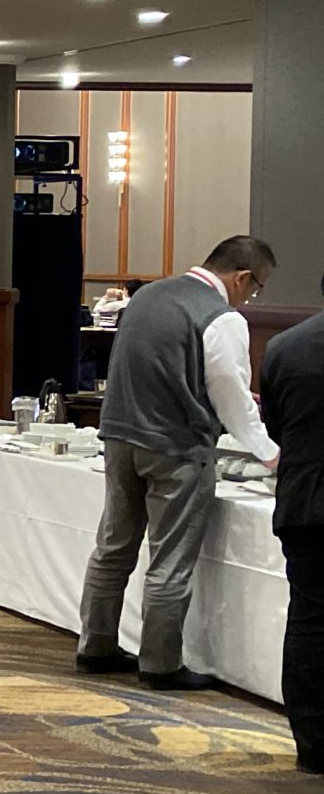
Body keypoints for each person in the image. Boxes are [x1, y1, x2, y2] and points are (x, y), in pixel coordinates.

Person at [75, 235, 279, 689]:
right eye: (256, 288)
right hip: (174, 448)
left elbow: (159, 366)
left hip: (120, 435)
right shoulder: (221, 317)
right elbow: (231, 398)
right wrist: (269, 453)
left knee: (113, 548)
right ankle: (161, 664)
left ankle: (96, 645)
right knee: (169, 559)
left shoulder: (148, 295)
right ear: (242, 277)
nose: (250, 297)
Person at [261, 281, 324, 772]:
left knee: (309, 621)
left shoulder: (285, 346)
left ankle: (314, 743)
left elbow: (275, 428)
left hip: (305, 503)